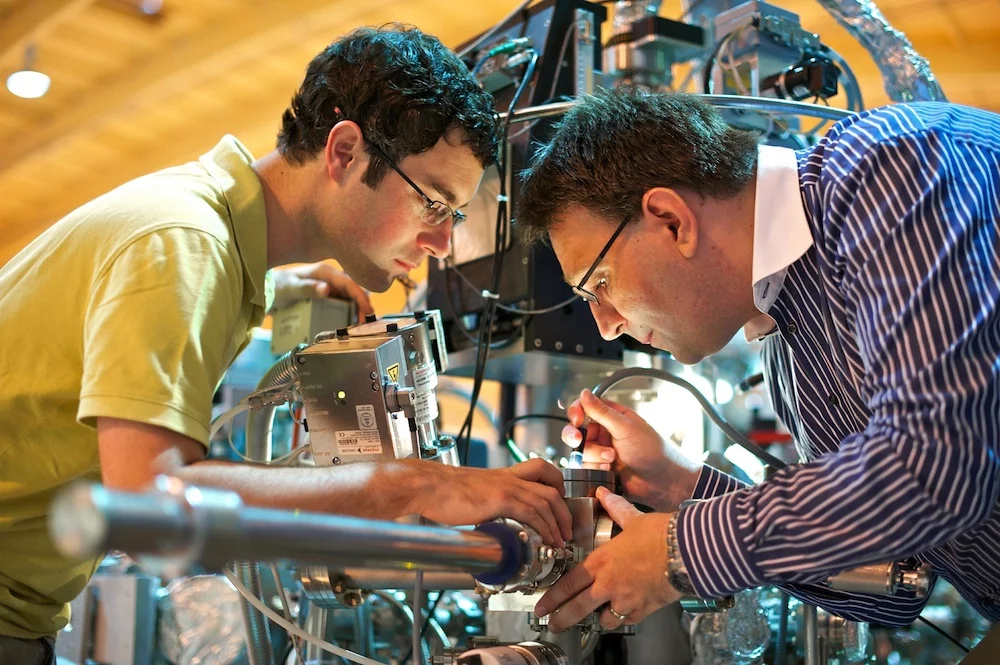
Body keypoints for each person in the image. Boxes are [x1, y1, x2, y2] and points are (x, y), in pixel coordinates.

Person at [0, 25, 573, 661]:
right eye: (433, 204)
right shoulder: (182, 246)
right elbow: (150, 505)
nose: (440, 243)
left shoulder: (206, 236)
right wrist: (415, 484)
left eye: (454, 218)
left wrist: (297, 276)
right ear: (346, 152)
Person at [514, 88, 999, 646]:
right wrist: (683, 486)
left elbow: (938, 469)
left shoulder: (886, 169)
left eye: (598, 284)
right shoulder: (789, 352)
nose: (605, 325)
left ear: (671, 220)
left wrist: (680, 550)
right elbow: (895, 577)